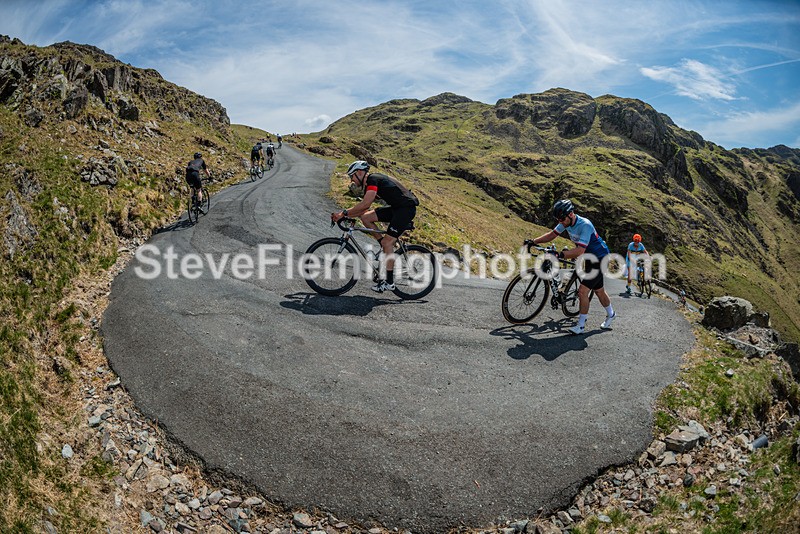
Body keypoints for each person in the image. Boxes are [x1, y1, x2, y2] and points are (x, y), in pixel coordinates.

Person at [528, 199, 616, 334]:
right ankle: (611, 314)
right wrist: (533, 241)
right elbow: (552, 234)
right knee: (599, 291)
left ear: (571, 214)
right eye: (558, 219)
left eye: (562, 219)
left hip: (600, 258)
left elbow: (580, 250)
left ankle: (581, 325)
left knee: (582, 291)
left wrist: (559, 254)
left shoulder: (585, 225)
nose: (560, 222)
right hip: (589, 256)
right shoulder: (565, 221)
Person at [331, 160, 420, 293]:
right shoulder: (369, 183)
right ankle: (383, 246)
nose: (351, 180)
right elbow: (362, 211)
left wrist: (343, 213)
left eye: (352, 176)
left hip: (406, 210)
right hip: (397, 208)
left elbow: (365, 204)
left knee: (387, 242)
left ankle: (389, 282)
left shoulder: (373, 180)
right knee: (366, 218)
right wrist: (346, 216)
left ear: (359, 173)